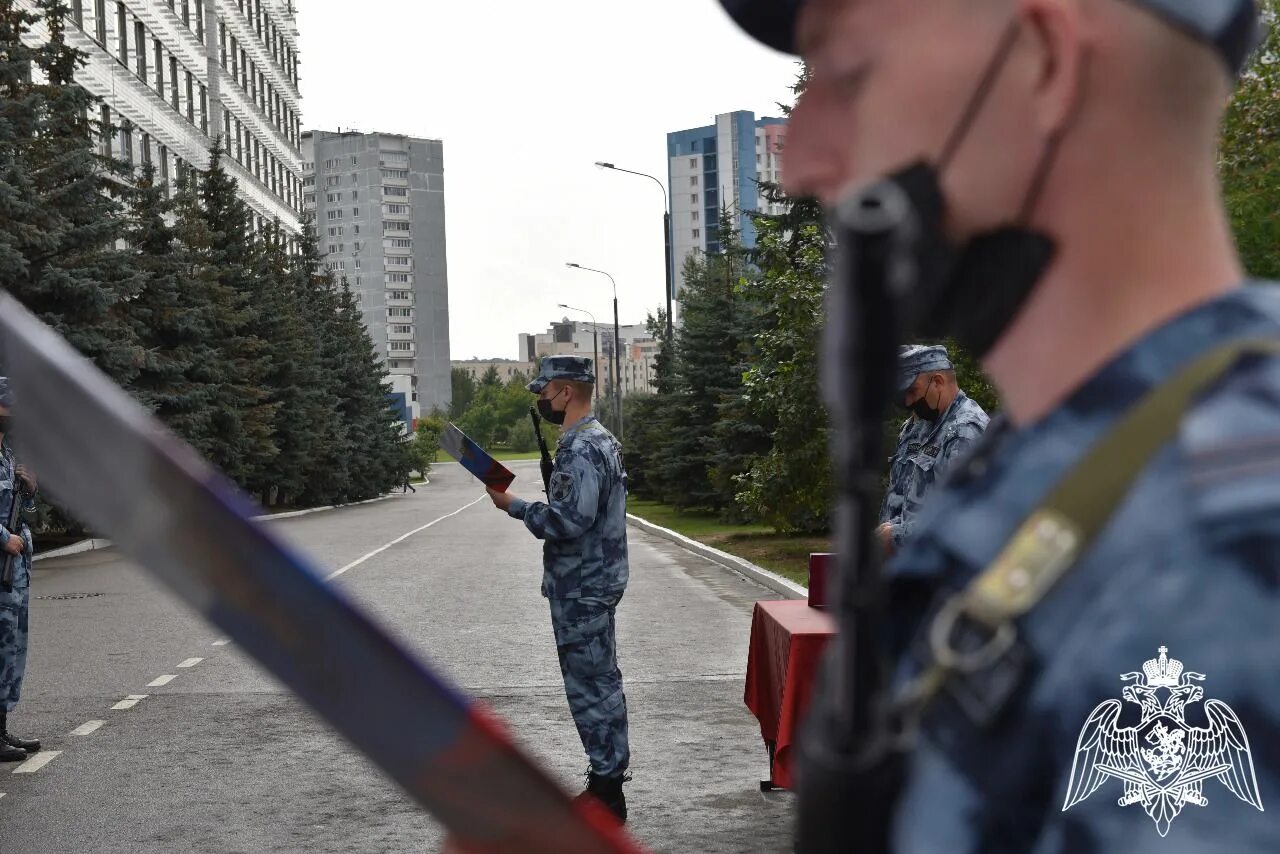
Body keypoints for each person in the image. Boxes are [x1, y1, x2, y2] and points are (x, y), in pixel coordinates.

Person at [719, 0, 1279, 850]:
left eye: (852, 74)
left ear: (1045, 64)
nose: (803, 159)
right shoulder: (1064, 463)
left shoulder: (1217, 534)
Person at [485, 356, 631, 822]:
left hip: (582, 585)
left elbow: (569, 520)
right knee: (601, 681)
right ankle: (608, 781)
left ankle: (607, 791)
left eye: (545, 392)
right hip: (596, 580)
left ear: (566, 392)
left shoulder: (578, 448)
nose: (542, 401)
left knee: (590, 687)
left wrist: (513, 505)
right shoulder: (601, 439)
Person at [877, 345, 988, 557]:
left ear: (937, 382)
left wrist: (898, 536)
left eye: (912, 391)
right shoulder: (916, 427)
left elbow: (963, 515)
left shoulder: (965, 431)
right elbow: (898, 496)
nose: (909, 402)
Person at [0, 377, 40, 762]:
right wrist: (2, 537)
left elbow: (26, 515)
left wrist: (29, 490)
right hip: (2, 564)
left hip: (15, 571)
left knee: (12, 648)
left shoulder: (8, 456)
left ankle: (2, 728)